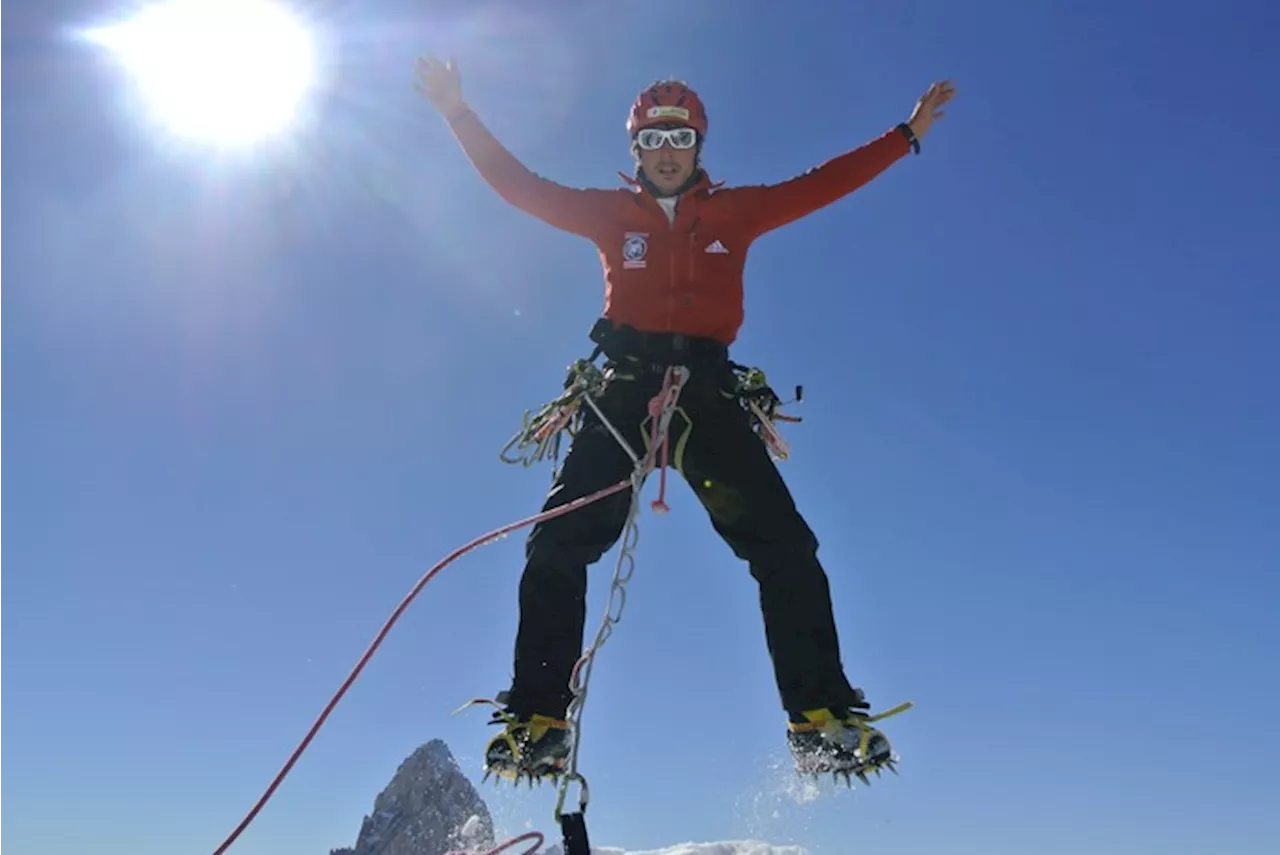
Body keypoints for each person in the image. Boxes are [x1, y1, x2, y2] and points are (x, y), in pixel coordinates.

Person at [415, 55, 956, 784]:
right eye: (651, 141)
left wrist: (906, 134)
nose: (665, 154)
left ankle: (819, 716)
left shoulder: (737, 212)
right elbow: (521, 188)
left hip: (705, 398)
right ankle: (536, 719)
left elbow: (820, 185)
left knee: (786, 547)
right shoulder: (607, 215)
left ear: (699, 146)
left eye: (679, 139)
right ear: (634, 150)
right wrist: (457, 111)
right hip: (621, 396)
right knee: (556, 543)